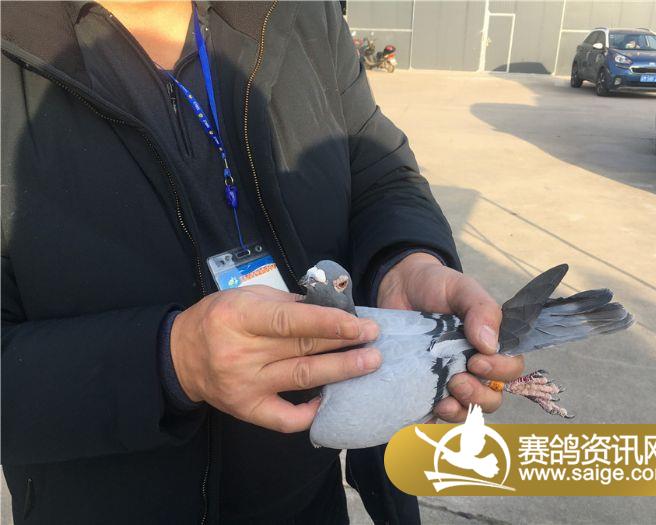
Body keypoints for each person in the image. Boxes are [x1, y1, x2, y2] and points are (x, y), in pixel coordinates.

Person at [0, 1, 524, 523]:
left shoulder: (299, 12)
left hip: (307, 503)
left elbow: (377, 172)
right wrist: (171, 362)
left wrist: (405, 260)